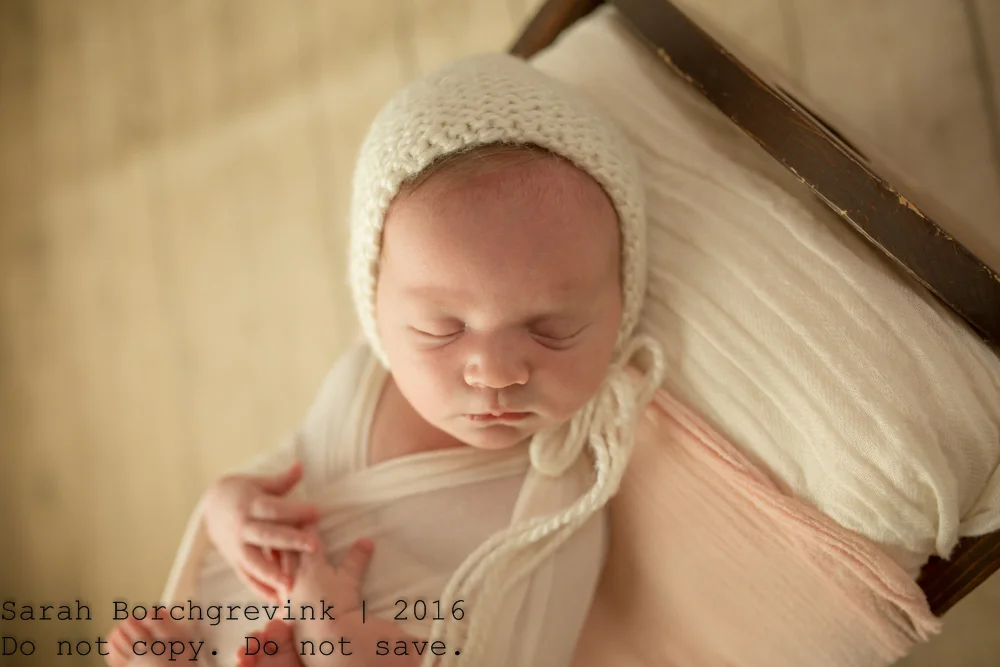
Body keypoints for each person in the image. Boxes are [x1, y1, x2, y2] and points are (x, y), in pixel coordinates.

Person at [104, 52, 664, 667]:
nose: (496, 373)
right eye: (440, 329)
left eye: (551, 329)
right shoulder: (361, 378)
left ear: (621, 307)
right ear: (377, 307)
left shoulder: (557, 509)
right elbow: (291, 464)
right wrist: (230, 507)